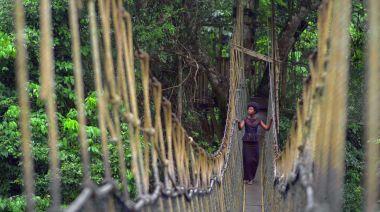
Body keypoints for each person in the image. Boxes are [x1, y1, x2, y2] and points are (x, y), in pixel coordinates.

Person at [236, 102, 273, 185]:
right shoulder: (245, 120)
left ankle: (251, 177)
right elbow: (240, 128)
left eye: (251, 109)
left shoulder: (258, 121)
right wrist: (238, 122)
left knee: (254, 160)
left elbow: (267, 128)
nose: (249, 110)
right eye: (249, 109)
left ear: (255, 110)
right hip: (246, 142)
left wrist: (271, 121)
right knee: (247, 160)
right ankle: (248, 178)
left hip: (255, 142)